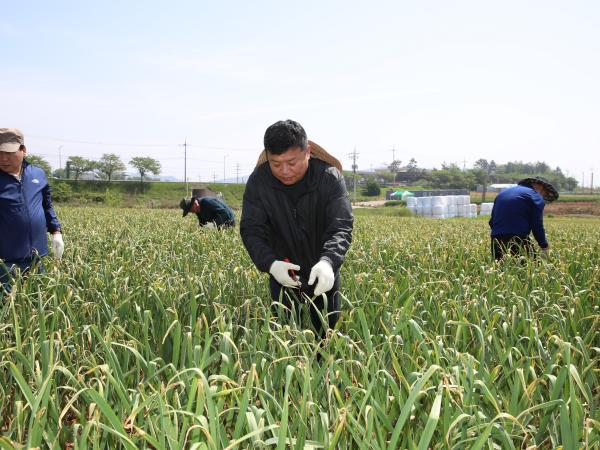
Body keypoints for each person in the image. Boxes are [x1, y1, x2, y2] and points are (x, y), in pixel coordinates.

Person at [240, 119, 353, 338]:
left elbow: (341, 225)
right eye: (276, 164)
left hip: (323, 274)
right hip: (283, 272)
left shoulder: (329, 178)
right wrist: (271, 264)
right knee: (285, 338)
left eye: (292, 163)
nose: (284, 171)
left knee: (326, 338)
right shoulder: (259, 182)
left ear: (307, 152)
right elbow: (252, 230)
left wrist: (329, 261)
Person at [0, 128, 64, 292]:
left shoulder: (37, 174)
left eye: (9, 152)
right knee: (7, 311)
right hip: (4, 262)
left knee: (37, 306)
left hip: (37, 259)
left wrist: (56, 231)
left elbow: (47, 205)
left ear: (23, 150)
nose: (3, 158)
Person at [489, 176, 559, 260]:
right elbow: (537, 225)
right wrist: (544, 245)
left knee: (500, 269)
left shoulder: (502, 194)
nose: (543, 195)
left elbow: (491, 222)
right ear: (539, 186)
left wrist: (501, 234)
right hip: (518, 239)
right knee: (531, 268)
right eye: (545, 192)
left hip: (496, 239)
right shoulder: (535, 196)